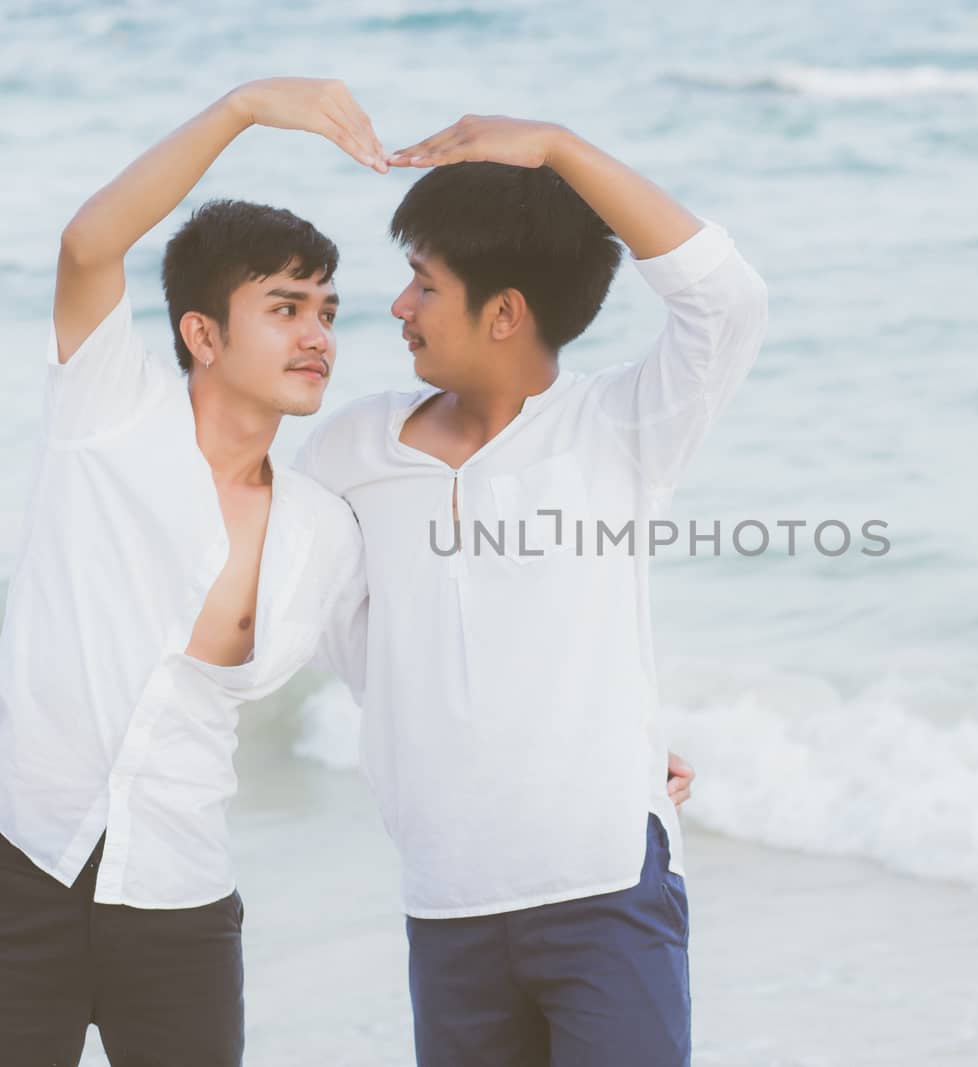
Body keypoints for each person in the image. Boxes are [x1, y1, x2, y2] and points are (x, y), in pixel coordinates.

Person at [289, 115, 770, 1065]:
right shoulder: (349, 451)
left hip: (603, 890)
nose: (398, 307)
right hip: (448, 898)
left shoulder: (617, 427)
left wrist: (558, 150)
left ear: (504, 313)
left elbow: (728, 302)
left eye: (425, 284)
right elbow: (262, 603)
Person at [0, 77, 387, 1066]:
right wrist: (244, 107)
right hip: (21, 871)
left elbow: (411, 679)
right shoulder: (108, 417)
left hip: (181, 905)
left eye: (326, 311)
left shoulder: (324, 533)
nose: (317, 334)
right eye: (284, 308)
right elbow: (89, 245)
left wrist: (618, 754)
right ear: (202, 333)